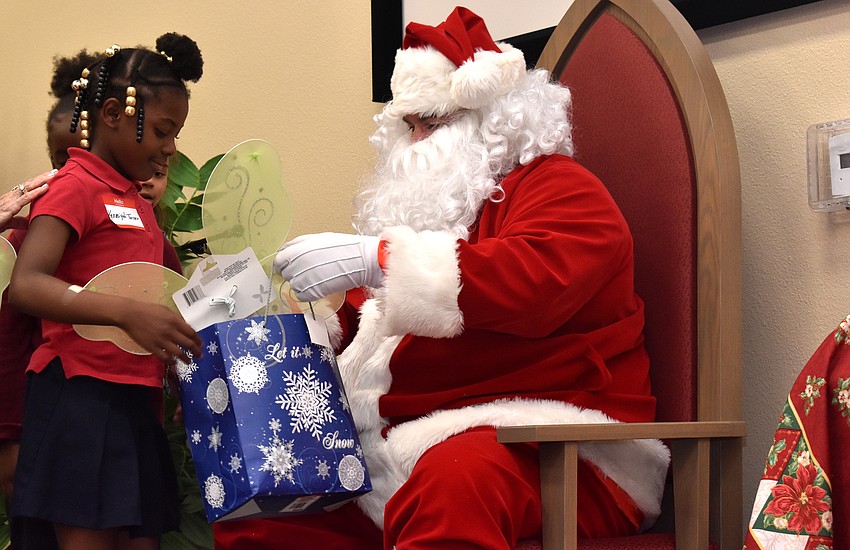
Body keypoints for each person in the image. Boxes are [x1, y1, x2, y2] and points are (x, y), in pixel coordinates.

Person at [215, 7, 670, 549]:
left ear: (496, 117)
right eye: (411, 127)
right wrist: (287, 332)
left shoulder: (563, 189)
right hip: (403, 447)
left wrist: (378, 259)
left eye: (434, 123)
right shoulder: (429, 214)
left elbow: (530, 283)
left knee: (454, 485)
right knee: (268, 514)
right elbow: (364, 330)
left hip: (554, 447)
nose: (418, 144)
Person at [8, 34, 203, 550]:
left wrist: (184, 367)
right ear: (114, 113)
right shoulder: (73, 186)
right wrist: (125, 314)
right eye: (163, 131)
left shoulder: (136, 203)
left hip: (135, 401)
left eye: (176, 134)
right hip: (79, 399)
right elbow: (26, 284)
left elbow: (164, 296)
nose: (170, 149)